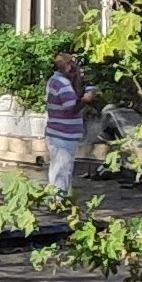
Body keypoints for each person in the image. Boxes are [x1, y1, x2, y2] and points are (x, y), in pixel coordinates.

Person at [40, 53, 92, 198]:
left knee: (57, 169)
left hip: (55, 133)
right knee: (62, 171)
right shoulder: (63, 84)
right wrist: (86, 100)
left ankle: (59, 200)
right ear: (68, 67)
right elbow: (70, 109)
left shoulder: (54, 81)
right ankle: (59, 201)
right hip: (64, 134)